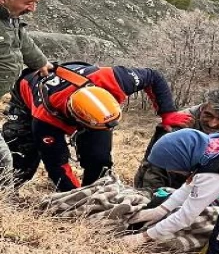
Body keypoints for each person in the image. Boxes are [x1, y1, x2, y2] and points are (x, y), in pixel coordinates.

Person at [0, 62, 191, 191]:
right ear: (77, 120)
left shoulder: (113, 78)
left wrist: (168, 113)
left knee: (99, 158)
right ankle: (6, 192)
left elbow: (153, 76)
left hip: (77, 79)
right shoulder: (45, 121)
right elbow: (58, 167)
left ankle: (94, 190)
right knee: (21, 158)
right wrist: (75, 198)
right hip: (27, 94)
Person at [134, 87, 219, 190]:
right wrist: (153, 197)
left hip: (218, 182)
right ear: (203, 107)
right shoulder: (179, 124)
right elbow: (155, 167)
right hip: (173, 183)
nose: (212, 123)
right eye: (208, 115)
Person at [0, 0, 53, 182]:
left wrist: (41, 63)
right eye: (29, 2)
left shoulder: (10, 18)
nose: (32, 8)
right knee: (3, 161)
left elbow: (23, 42)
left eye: (36, 2)